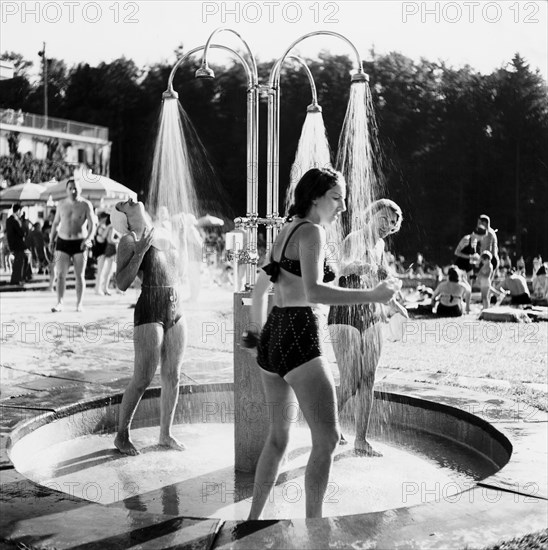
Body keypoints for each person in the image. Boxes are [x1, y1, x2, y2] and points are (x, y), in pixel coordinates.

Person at [244, 168, 399, 519]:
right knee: (327, 439)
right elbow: (314, 291)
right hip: (300, 333)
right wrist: (372, 293)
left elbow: (258, 288)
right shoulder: (312, 231)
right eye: (336, 197)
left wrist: (254, 336)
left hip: (273, 335)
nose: (343, 206)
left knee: (278, 438)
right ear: (315, 197)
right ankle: (314, 525)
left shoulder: (287, 229)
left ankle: (253, 519)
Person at [327, 198, 405, 456]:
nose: (387, 225)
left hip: (370, 313)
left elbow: (381, 278)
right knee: (350, 382)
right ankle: (328, 426)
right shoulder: (354, 237)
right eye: (383, 219)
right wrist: (359, 265)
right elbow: (339, 268)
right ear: (371, 216)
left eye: (392, 223)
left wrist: (394, 301)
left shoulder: (381, 245)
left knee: (369, 378)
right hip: (345, 311)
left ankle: (361, 439)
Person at [112, 198, 187, 456]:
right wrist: (140, 252)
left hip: (175, 309)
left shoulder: (163, 232)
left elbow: (178, 271)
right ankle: (122, 435)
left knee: (173, 375)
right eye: (123, 203)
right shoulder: (128, 240)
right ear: (123, 216)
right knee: (143, 378)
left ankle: (165, 434)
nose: (130, 200)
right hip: (149, 310)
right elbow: (121, 282)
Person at [49, 178, 96, 312]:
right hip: (62, 241)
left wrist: (88, 239)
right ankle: (59, 302)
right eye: (70, 188)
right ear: (67, 190)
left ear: (80, 189)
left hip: (79, 242)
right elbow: (56, 223)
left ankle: (79, 303)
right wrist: (51, 240)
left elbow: (93, 225)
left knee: (79, 275)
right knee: (60, 274)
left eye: (75, 188)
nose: (73, 191)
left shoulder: (86, 205)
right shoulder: (61, 204)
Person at [6, 203, 32, 285]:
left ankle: (24, 276)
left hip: (15, 244)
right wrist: (22, 226)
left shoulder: (9, 219)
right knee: (20, 261)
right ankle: (17, 279)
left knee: (26, 256)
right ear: (18, 211)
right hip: (18, 245)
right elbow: (21, 233)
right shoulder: (15, 220)